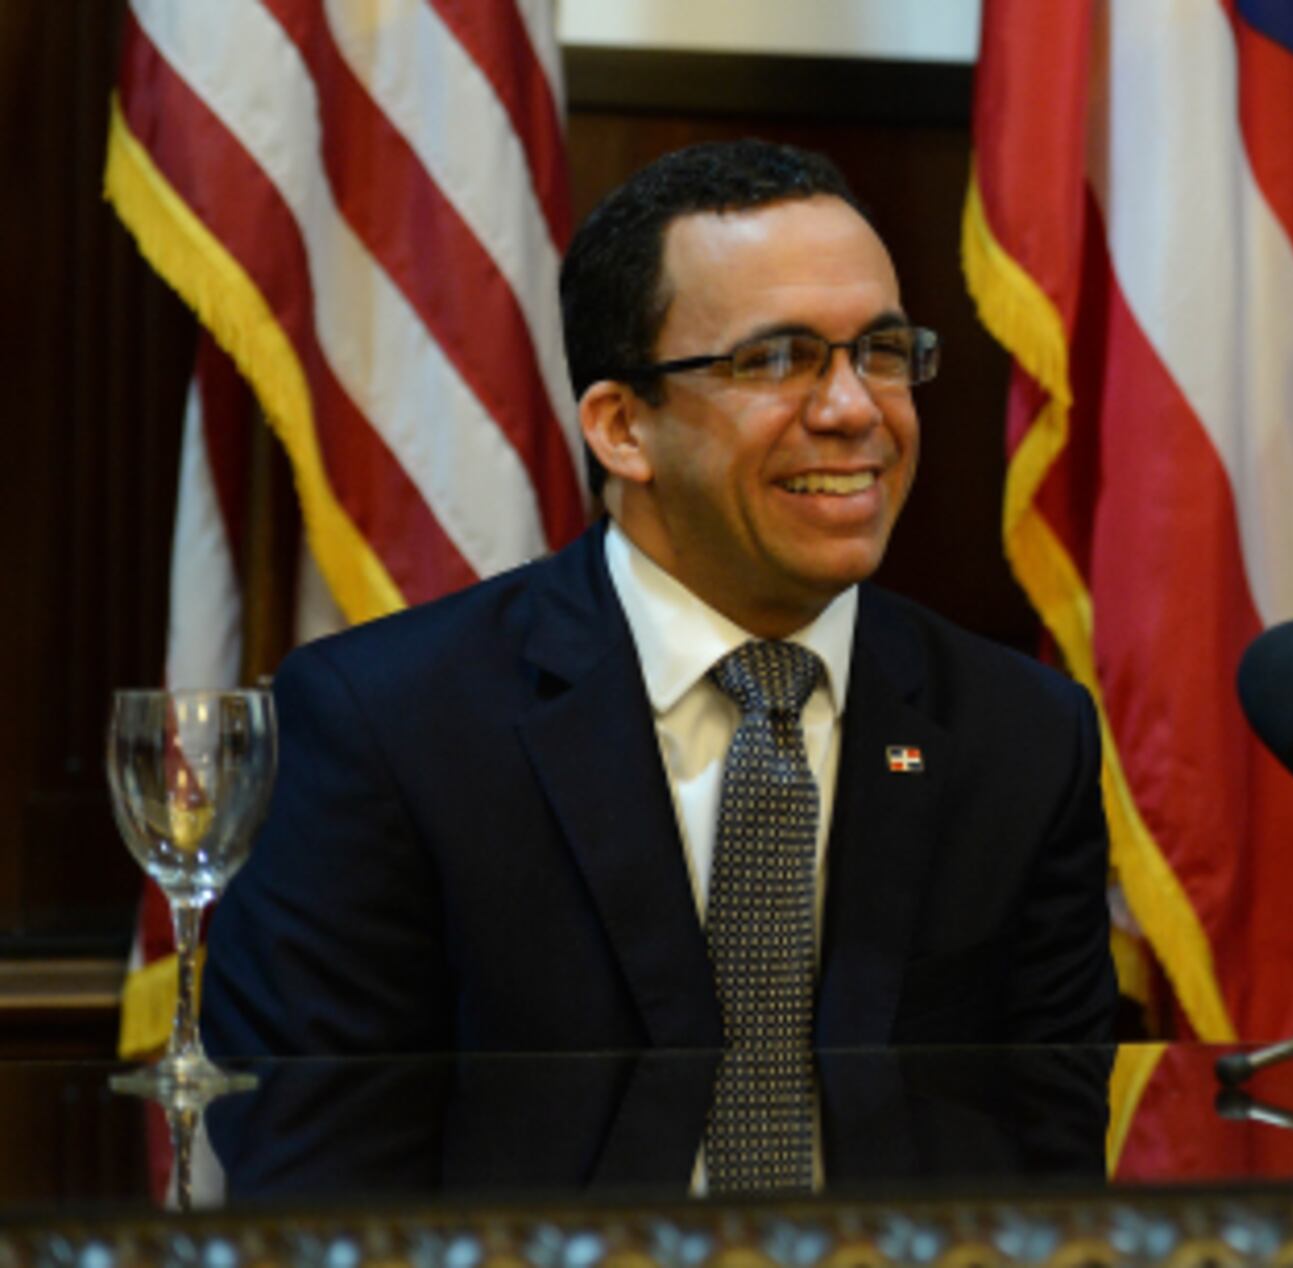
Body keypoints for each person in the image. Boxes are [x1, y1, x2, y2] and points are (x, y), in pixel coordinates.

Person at [205, 140, 1116, 1055]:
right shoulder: (389, 728)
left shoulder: (1025, 736)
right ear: (621, 427)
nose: (855, 409)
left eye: (881, 352)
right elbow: (317, 1162)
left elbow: (1051, 1157)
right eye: (777, 360)